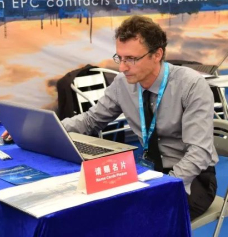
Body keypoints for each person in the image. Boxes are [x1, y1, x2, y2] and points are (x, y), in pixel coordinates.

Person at [62, 15, 219, 220]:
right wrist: (46, 129)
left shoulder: (191, 86)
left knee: (139, 218)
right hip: (148, 171)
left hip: (191, 177)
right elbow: (90, 120)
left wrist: (165, 186)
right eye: (120, 58)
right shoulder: (122, 83)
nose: (122, 67)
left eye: (131, 59)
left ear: (157, 54)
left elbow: (199, 153)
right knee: (96, 208)